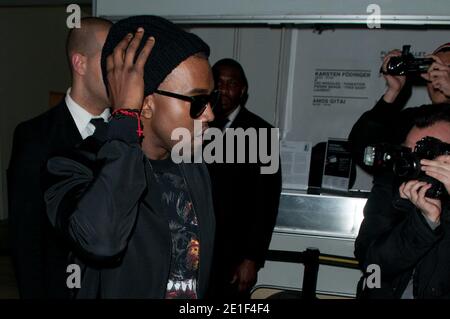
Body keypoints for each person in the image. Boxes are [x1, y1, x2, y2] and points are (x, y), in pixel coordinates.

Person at [44, 15, 216, 298]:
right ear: (145, 103)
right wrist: (125, 116)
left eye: (211, 99)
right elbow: (101, 240)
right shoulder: (74, 165)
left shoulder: (193, 166)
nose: (209, 114)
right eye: (197, 101)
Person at [7, 17, 112, 299]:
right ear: (80, 63)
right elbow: (25, 237)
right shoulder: (35, 136)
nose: (119, 69)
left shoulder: (130, 134)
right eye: (109, 58)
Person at [355, 104, 450, 298]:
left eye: (427, 153)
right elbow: (372, 263)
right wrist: (424, 223)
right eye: (410, 152)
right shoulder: (392, 185)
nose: (416, 162)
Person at [206, 58, 282, 299]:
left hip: (234, 256)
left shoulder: (263, 133)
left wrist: (252, 259)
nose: (224, 89)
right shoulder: (195, 126)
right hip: (194, 251)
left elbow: (267, 203)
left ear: (243, 89)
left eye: (231, 83)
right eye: (218, 83)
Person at [349, 43, 450, 171]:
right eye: (434, 68)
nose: (441, 75)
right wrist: (393, 91)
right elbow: (361, 149)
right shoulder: (412, 119)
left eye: (447, 70)